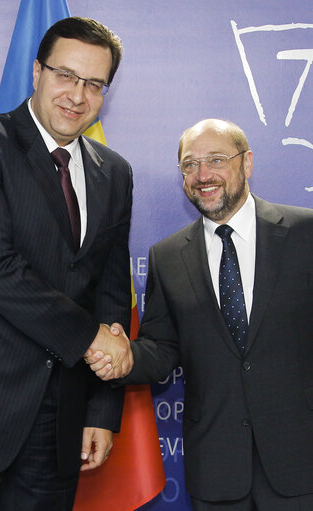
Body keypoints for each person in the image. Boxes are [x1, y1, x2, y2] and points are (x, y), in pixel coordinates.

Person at [86, 119, 313, 511]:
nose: (202, 175)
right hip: (217, 466)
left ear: (247, 164)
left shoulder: (305, 233)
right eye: (190, 165)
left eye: (216, 160)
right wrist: (121, 358)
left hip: (302, 458)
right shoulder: (167, 256)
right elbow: (161, 348)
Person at [0, 16, 133, 511]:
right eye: (65, 75)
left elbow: (110, 292)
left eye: (94, 84)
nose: (77, 95)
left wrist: (103, 409)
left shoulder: (115, 174)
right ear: (36, 71)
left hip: (60, 428)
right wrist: (90, 339)